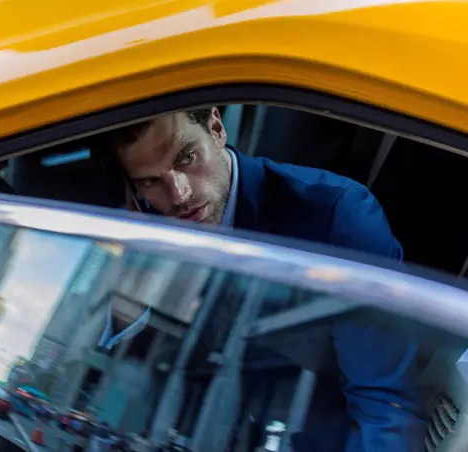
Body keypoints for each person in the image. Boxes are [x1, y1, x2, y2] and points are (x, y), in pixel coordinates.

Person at [98, 107, 425, 451]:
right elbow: (119, 343)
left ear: (216, 128)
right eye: (150, 181)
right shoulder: (149, 234)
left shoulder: (336, 216)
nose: (179, 194)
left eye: (187, 157)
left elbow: (384, 409)